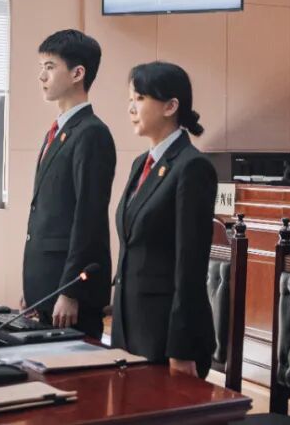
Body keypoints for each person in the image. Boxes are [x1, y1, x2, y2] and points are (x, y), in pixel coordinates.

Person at [111, 61, 218, 378]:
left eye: (140, 98)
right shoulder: (140, 163)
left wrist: (181, 348)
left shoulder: (192, 167)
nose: (131, 108)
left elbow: (190, 265)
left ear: (171, 106)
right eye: (130, 99)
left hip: (166, 335)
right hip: (128, 326)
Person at [22, 30, 115, 339]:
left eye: (50, 67)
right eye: (41, 67)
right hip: (46, 286)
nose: (42, 76)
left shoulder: (91, 133)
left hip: (70, 293)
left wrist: (71, 291)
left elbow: (89, 217)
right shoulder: (58, 131)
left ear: (77, 73)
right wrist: (33, 286)